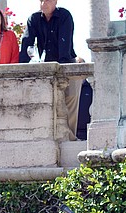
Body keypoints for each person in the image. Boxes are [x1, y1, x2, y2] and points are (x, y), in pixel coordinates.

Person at [19, 0, 84, 140]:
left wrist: (61, 72)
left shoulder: (64, 15)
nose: (43, 3)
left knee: (71, 97)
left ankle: (70, 137)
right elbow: (27, 44)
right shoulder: (34, 19)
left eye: (47, 0)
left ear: (55, 1)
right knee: (48, 103)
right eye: (41, 0)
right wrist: (21, 69)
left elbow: (64, 46)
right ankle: (53, 137)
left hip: (66, 62)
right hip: (46, 66)